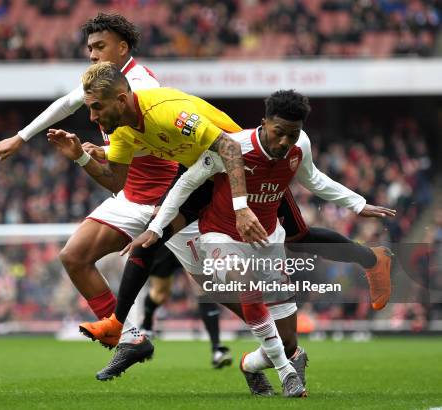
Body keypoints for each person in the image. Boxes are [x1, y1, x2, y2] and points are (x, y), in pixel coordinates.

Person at [0, 13, 235, 364]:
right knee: (74, 256)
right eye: (89, 48)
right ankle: (129, 337)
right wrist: (21, 137)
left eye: (99, 46)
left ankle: (279, 342)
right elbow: (67, 104)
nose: (92, 54)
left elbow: (164, 139)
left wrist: (102, 152)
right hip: (130, 193)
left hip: (166, 198)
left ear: (122, 47)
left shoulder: (143, 85)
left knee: (218, 289)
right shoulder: (103, 82)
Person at [124, 90, 396, 395]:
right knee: (245, 281)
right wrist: (157, 228)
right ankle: (287, 374)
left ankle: (250, 365)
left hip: (268, 241)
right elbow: (186, 183)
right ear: (263, 122)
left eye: (291, 135)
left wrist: (359, 205)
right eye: (278, 133)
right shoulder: (233, 147)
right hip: (220, 236)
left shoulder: (299, 145)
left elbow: (315, 179)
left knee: (288, 341)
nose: (284, 142)